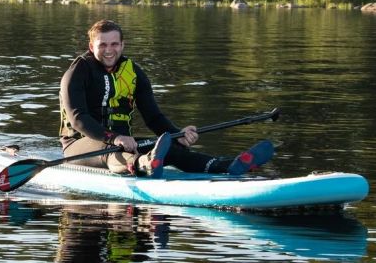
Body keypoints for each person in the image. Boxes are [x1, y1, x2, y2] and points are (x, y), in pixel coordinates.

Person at [59, 19, 273, 178]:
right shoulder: (77, 72)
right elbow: (78, 119)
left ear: (122, 45)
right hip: (79, 146)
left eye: (114, 44)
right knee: (109, 149)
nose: (109, 50)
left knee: (172, 147)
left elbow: (153, 117)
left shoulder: (134, 72)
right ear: (91, 47)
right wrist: (114, 138)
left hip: (125, 144)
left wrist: (177, 134)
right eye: (102, 45)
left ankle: (225, 166)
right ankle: (143, 164)